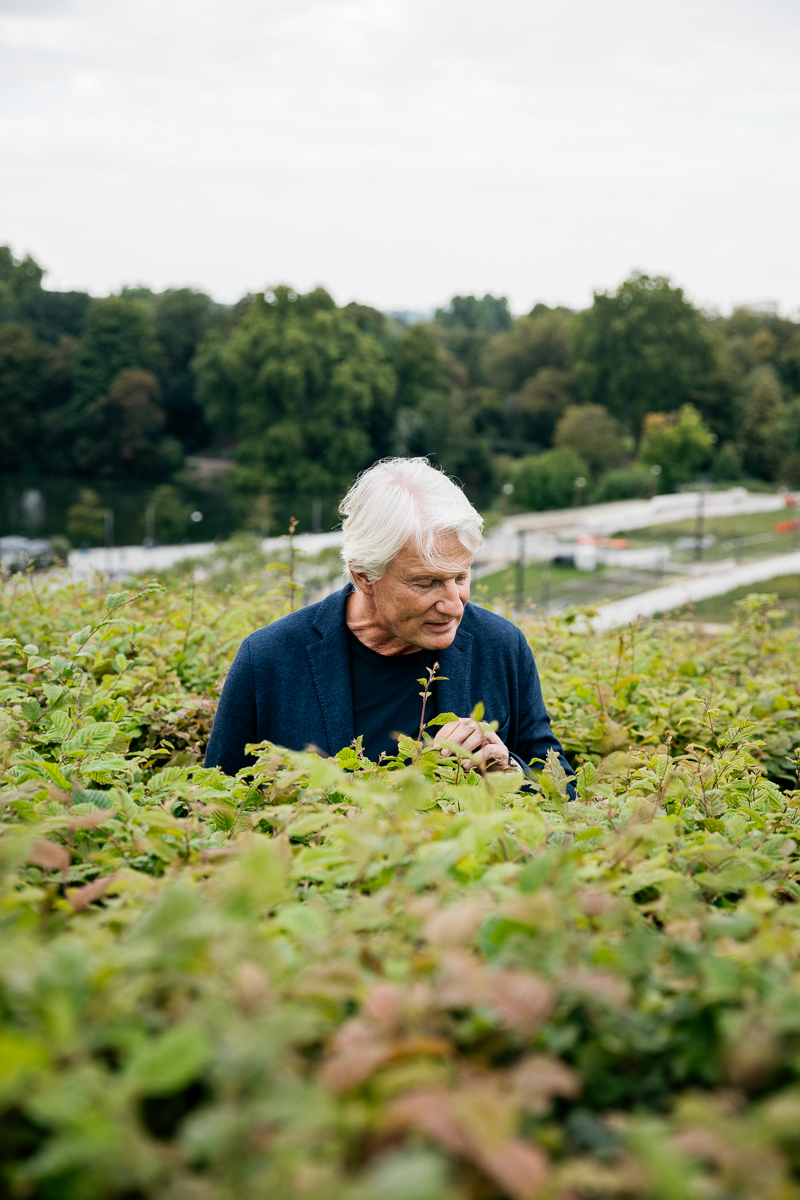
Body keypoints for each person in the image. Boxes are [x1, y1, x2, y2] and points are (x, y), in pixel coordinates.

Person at [205, 457, 573, 789]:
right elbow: (212, 804)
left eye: (460, 577)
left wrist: (508, 768)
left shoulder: (502, 646)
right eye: (425, 582)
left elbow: (566, 796)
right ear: (363, 575)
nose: (452, 605)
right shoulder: (267, 660)